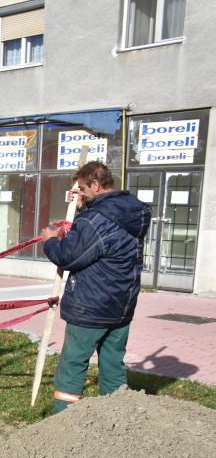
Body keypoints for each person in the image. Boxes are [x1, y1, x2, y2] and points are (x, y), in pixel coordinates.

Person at [39, 161, 151, 414]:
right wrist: (85, 209)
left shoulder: (96, 220)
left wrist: (49, 241)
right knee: (112, 363)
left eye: (82, 188)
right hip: (121, 304)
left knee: (73, 364)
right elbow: (102, 241)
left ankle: (64, 420)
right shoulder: (133, 211)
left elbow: (69, 256)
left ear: (96, 185)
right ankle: (117, 416)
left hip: (91, 305)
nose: (80, 193)